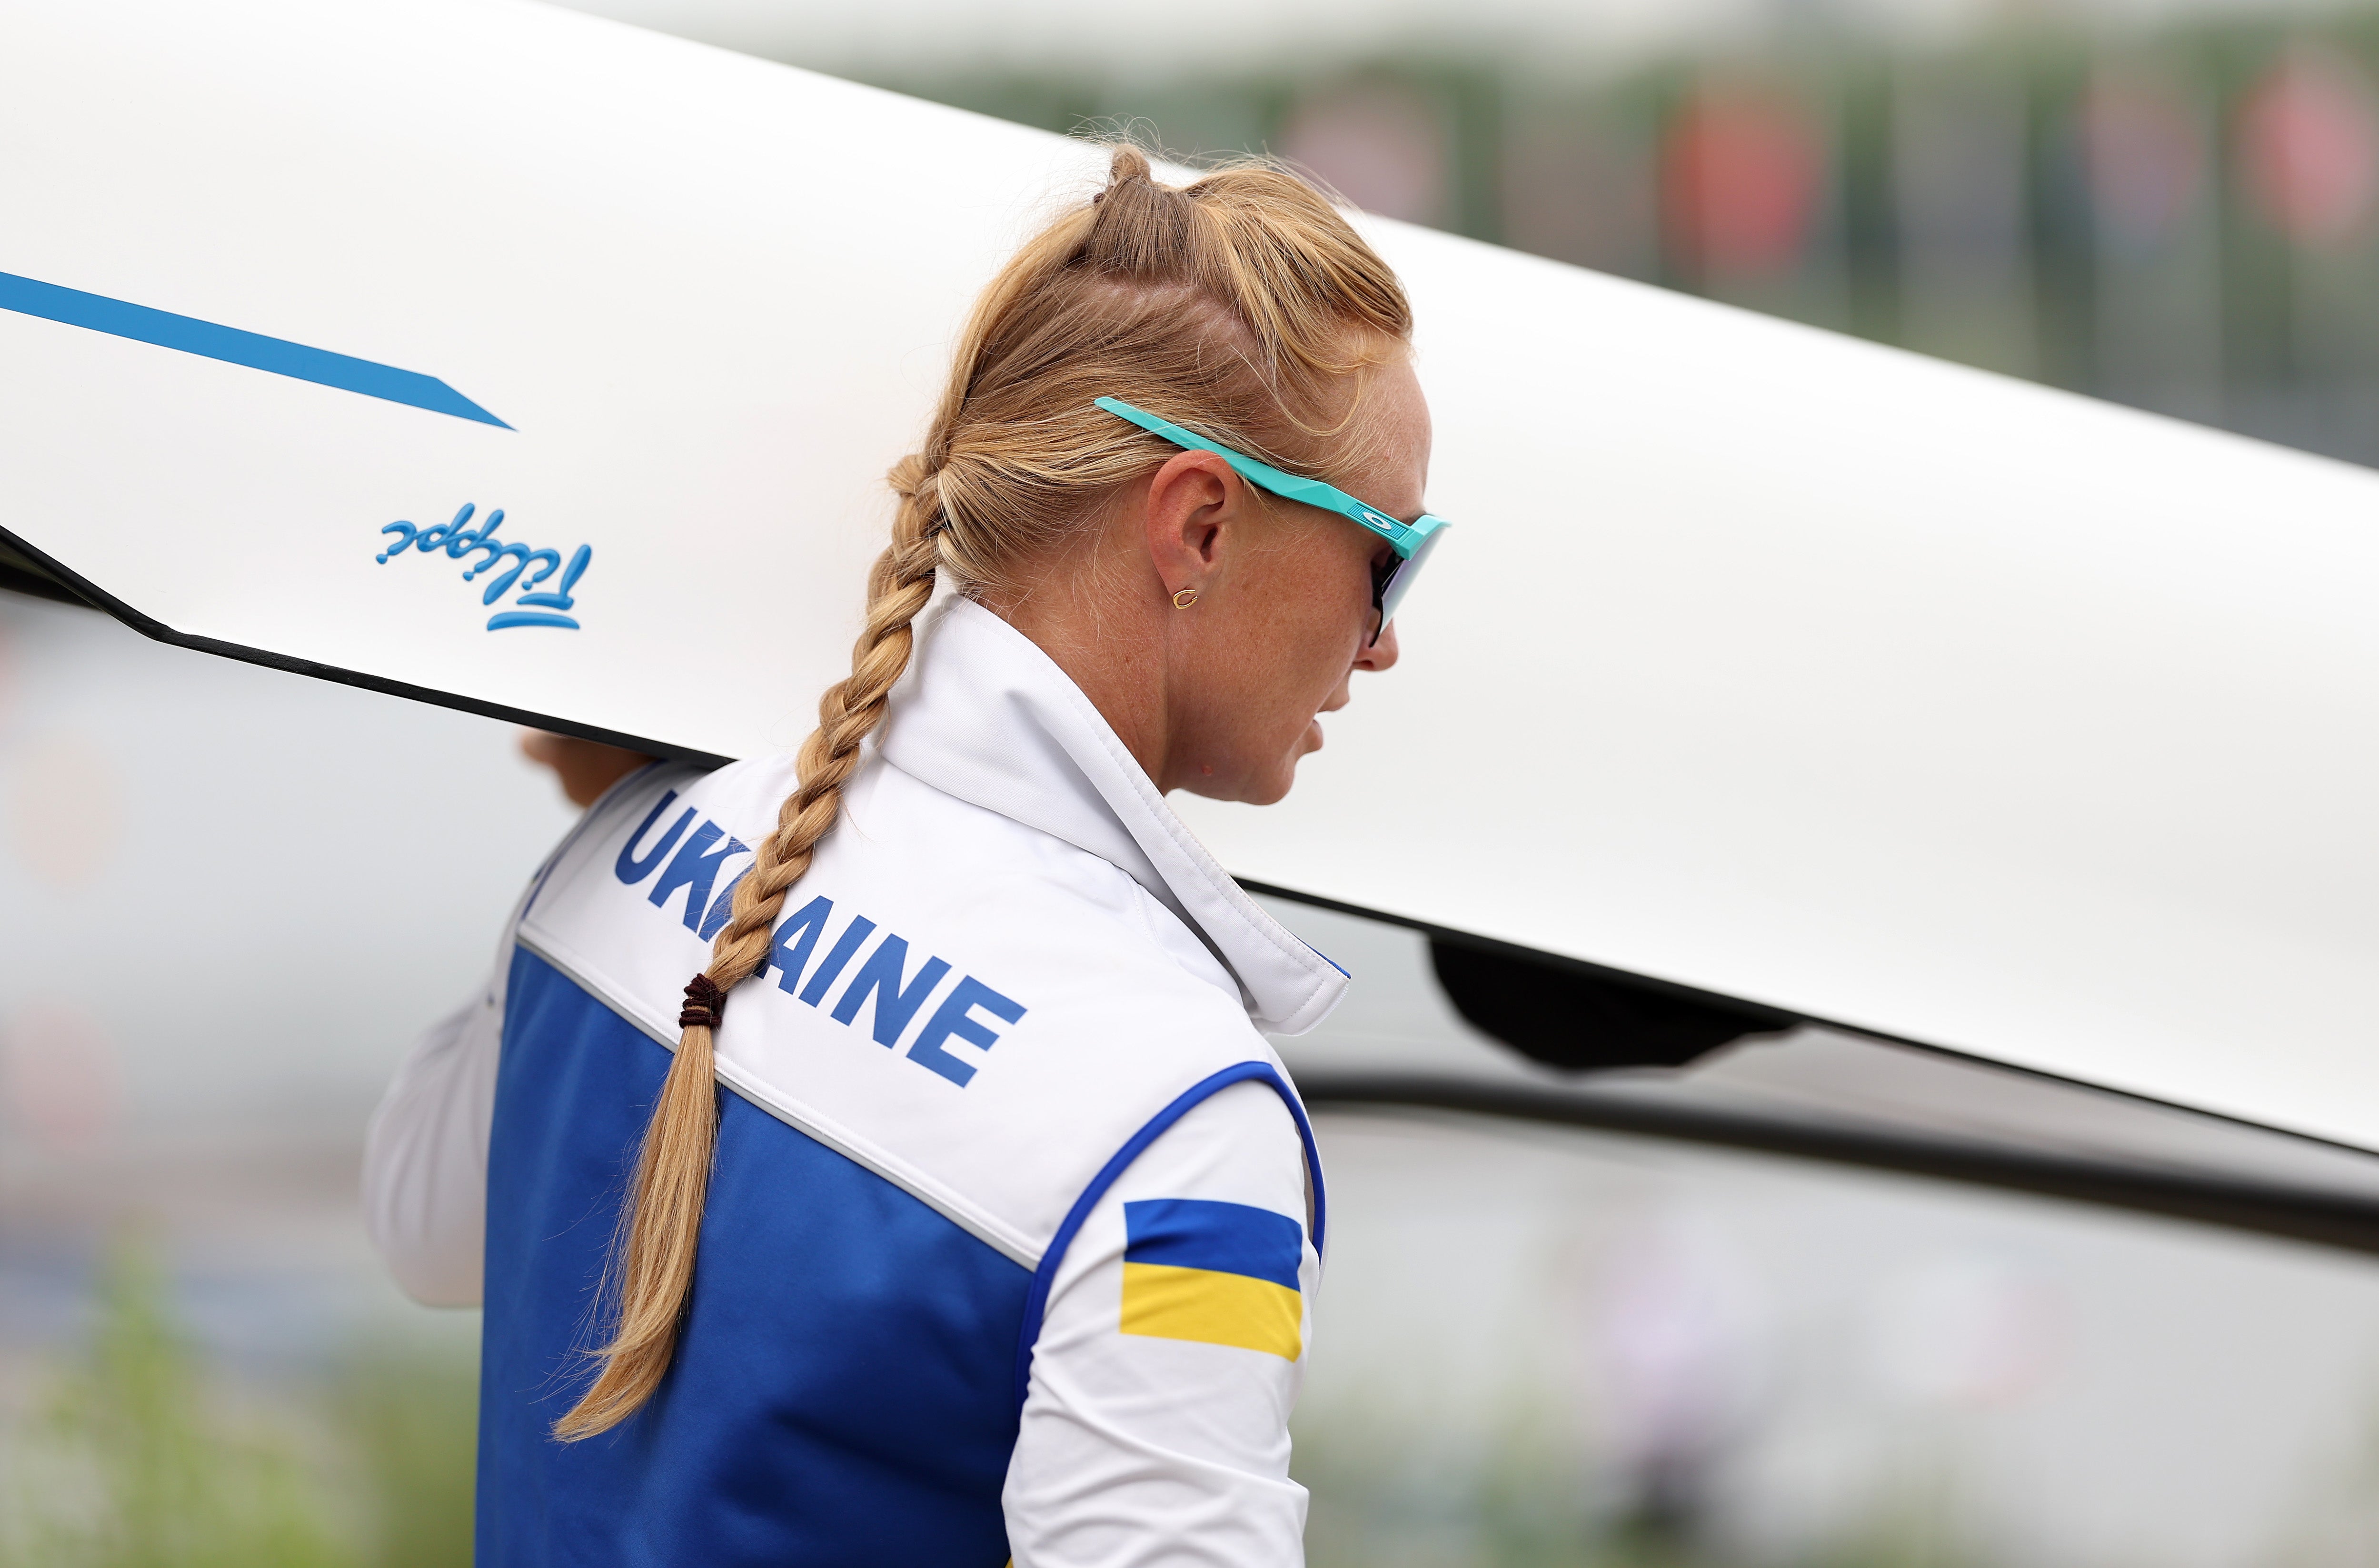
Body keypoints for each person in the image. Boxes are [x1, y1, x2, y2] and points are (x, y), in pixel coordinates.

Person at [362, 145, 1445, 1567]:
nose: (1383, 641)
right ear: (1199, 524)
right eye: (1390, 557)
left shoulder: (633, 852)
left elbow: (420, 1227)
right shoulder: (1182, 1133)